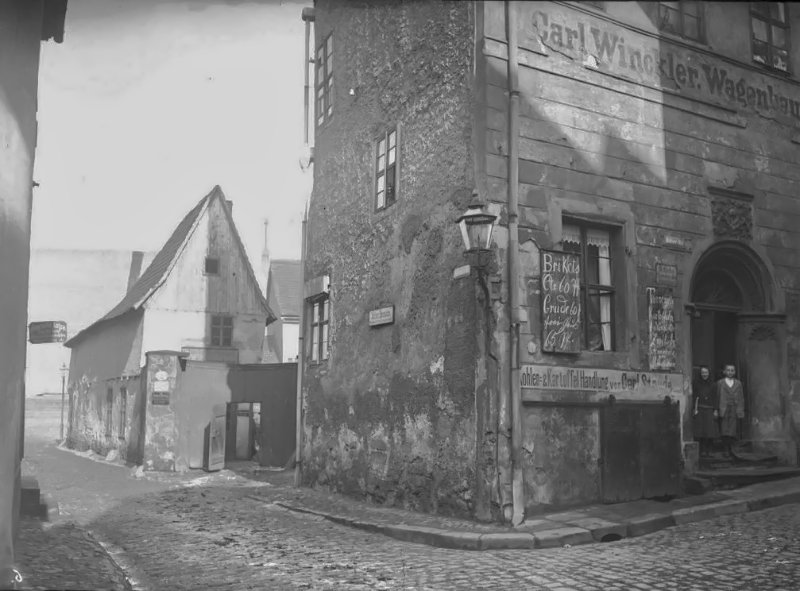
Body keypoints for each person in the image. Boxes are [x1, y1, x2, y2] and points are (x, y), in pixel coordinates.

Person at [715, 363, 745, 457]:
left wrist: (740, 409)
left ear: (735, 372)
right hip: (724, 407)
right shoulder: (720, 383)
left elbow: (741, 397)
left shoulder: (738, 383)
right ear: (724, 371)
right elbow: (717, 396)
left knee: (732, 428)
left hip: (734, 407)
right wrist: (716, 409)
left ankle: (731, 448)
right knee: (724, 427)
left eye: (732, 370)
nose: (730, 372)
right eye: (728, 370)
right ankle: (725, 448)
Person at [692, 366, 718, 457]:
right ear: (700, 373)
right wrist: (694, 409)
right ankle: (701, 451)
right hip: (699, 408)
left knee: (709, 431)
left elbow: (715, 398)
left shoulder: (713, 385)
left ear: (709, 373)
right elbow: (694, 396)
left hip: (710, 409)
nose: (704, 374)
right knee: (700, 431)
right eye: (703, 372)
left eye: (706, 372)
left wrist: (715, 410)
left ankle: (709, 451)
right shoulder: (696, 383)